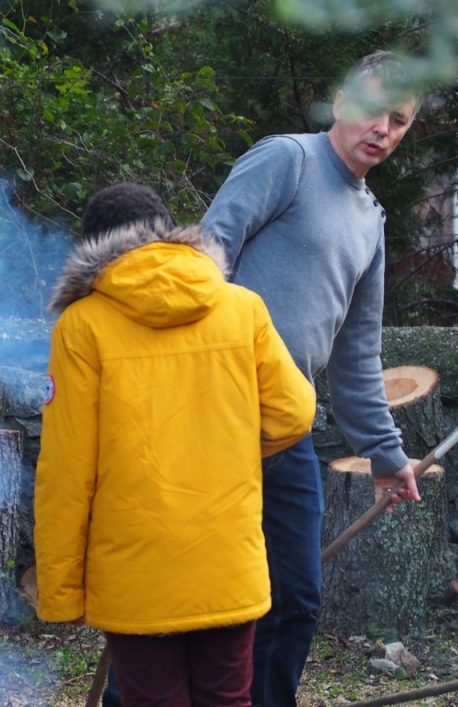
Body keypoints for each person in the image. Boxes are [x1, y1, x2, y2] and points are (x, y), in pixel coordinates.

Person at [34, 183, 317, 707]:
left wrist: (61, 590)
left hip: (136, 573)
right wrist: (229, 446)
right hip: (227, 561)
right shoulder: (242, 307)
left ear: (94, 248)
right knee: (228, 698)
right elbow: (295, 413)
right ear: (170, 233)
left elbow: (66, 474)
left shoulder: (82, 327)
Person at [199, 50, 424, 706]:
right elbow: (209, 255)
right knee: (189, 590)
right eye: (373, 108)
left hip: (285, 424)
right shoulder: (286, 160)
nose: (382, 128)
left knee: (292, 598)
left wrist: (386, 454)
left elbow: (355, 355)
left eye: (400, 121)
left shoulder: (370, 221)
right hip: (213, 410)